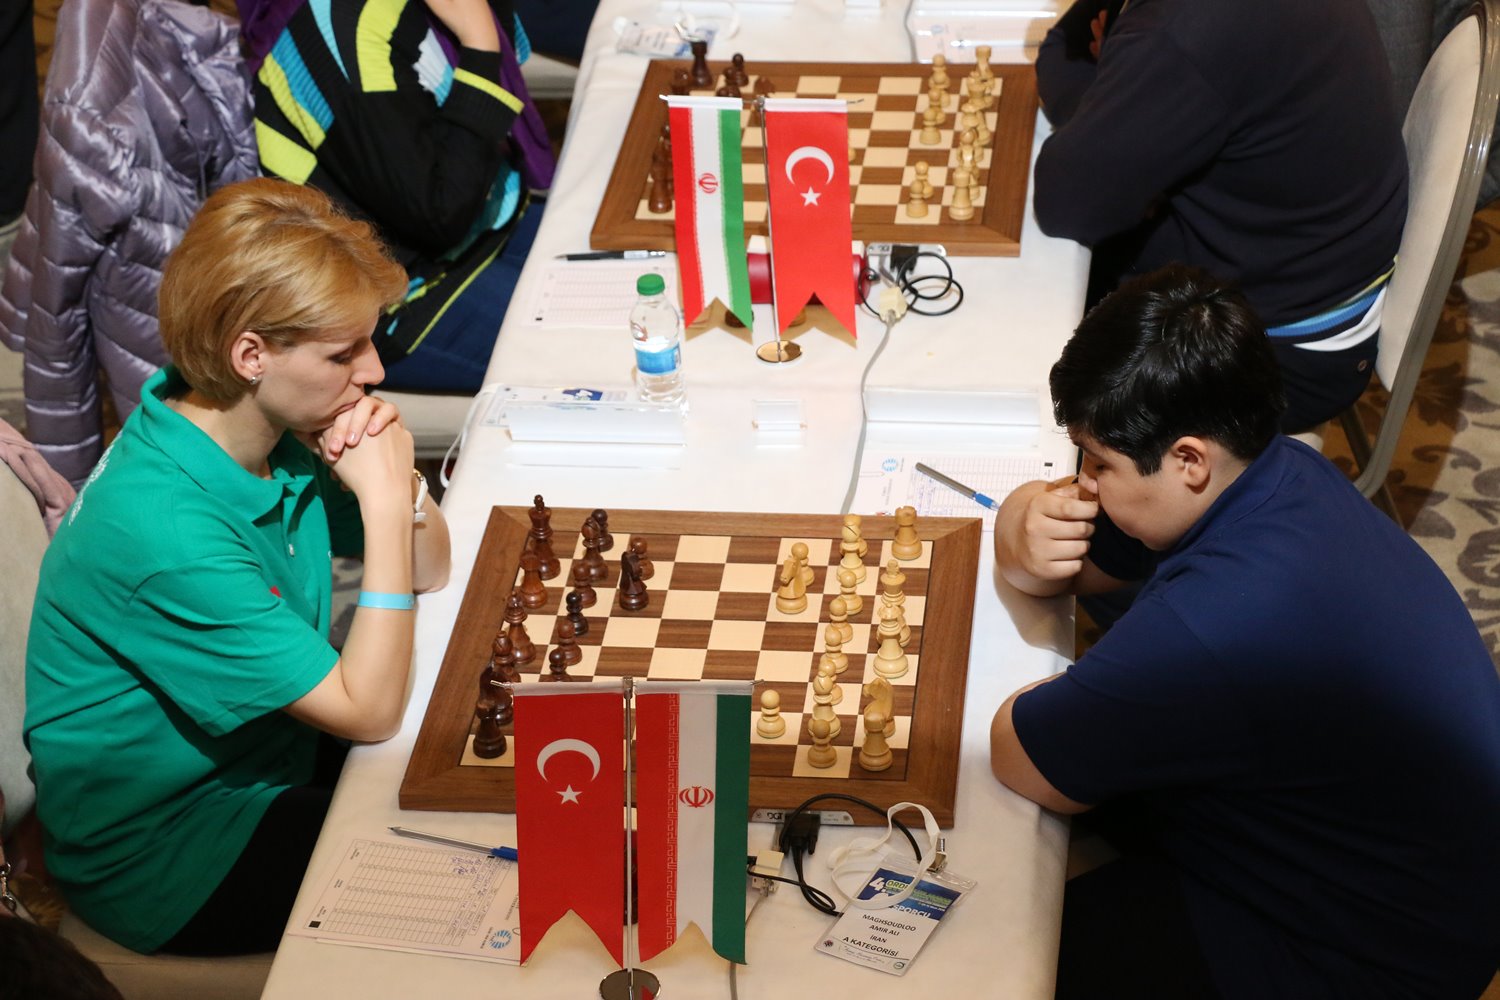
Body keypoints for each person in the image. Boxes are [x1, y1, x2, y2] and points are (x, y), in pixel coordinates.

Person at [990, 265, 1500, 999]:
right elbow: (1071, 566)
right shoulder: (1278, 464)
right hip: (1411, 867)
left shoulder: (1212, 625)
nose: (1084, 484)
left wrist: (1087, 694)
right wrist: (1023, 521)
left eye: (1099, 463)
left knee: (1009, 956)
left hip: (1369, 955)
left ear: (1188, 460)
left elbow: (1022, 758)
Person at [23, 178, 452, 955]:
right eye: (343, 352)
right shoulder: (165, 531)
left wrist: (405, 489)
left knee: (468, 771)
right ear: (250, 355)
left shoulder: (265, 428)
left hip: (272, 759)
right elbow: (368, 712)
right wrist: (387, 505)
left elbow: (428, 571)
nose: (374, 372)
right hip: (176, 855)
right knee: (454, 865)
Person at [1032, 0, 1409, 433]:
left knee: (1022, 338)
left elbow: (1067, 202)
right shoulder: (1178, 32)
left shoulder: (1180, 31)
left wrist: (1108, 96)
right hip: (1316, 274)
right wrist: (1113, 95)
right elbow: (1063, 45)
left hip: (1274, 355)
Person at [241, 0, 556, 393]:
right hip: (402, 295)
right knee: (596, 347)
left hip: (487, 214)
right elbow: (439, 213)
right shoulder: (343, 31)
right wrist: (480, 44)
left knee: (623, 279)